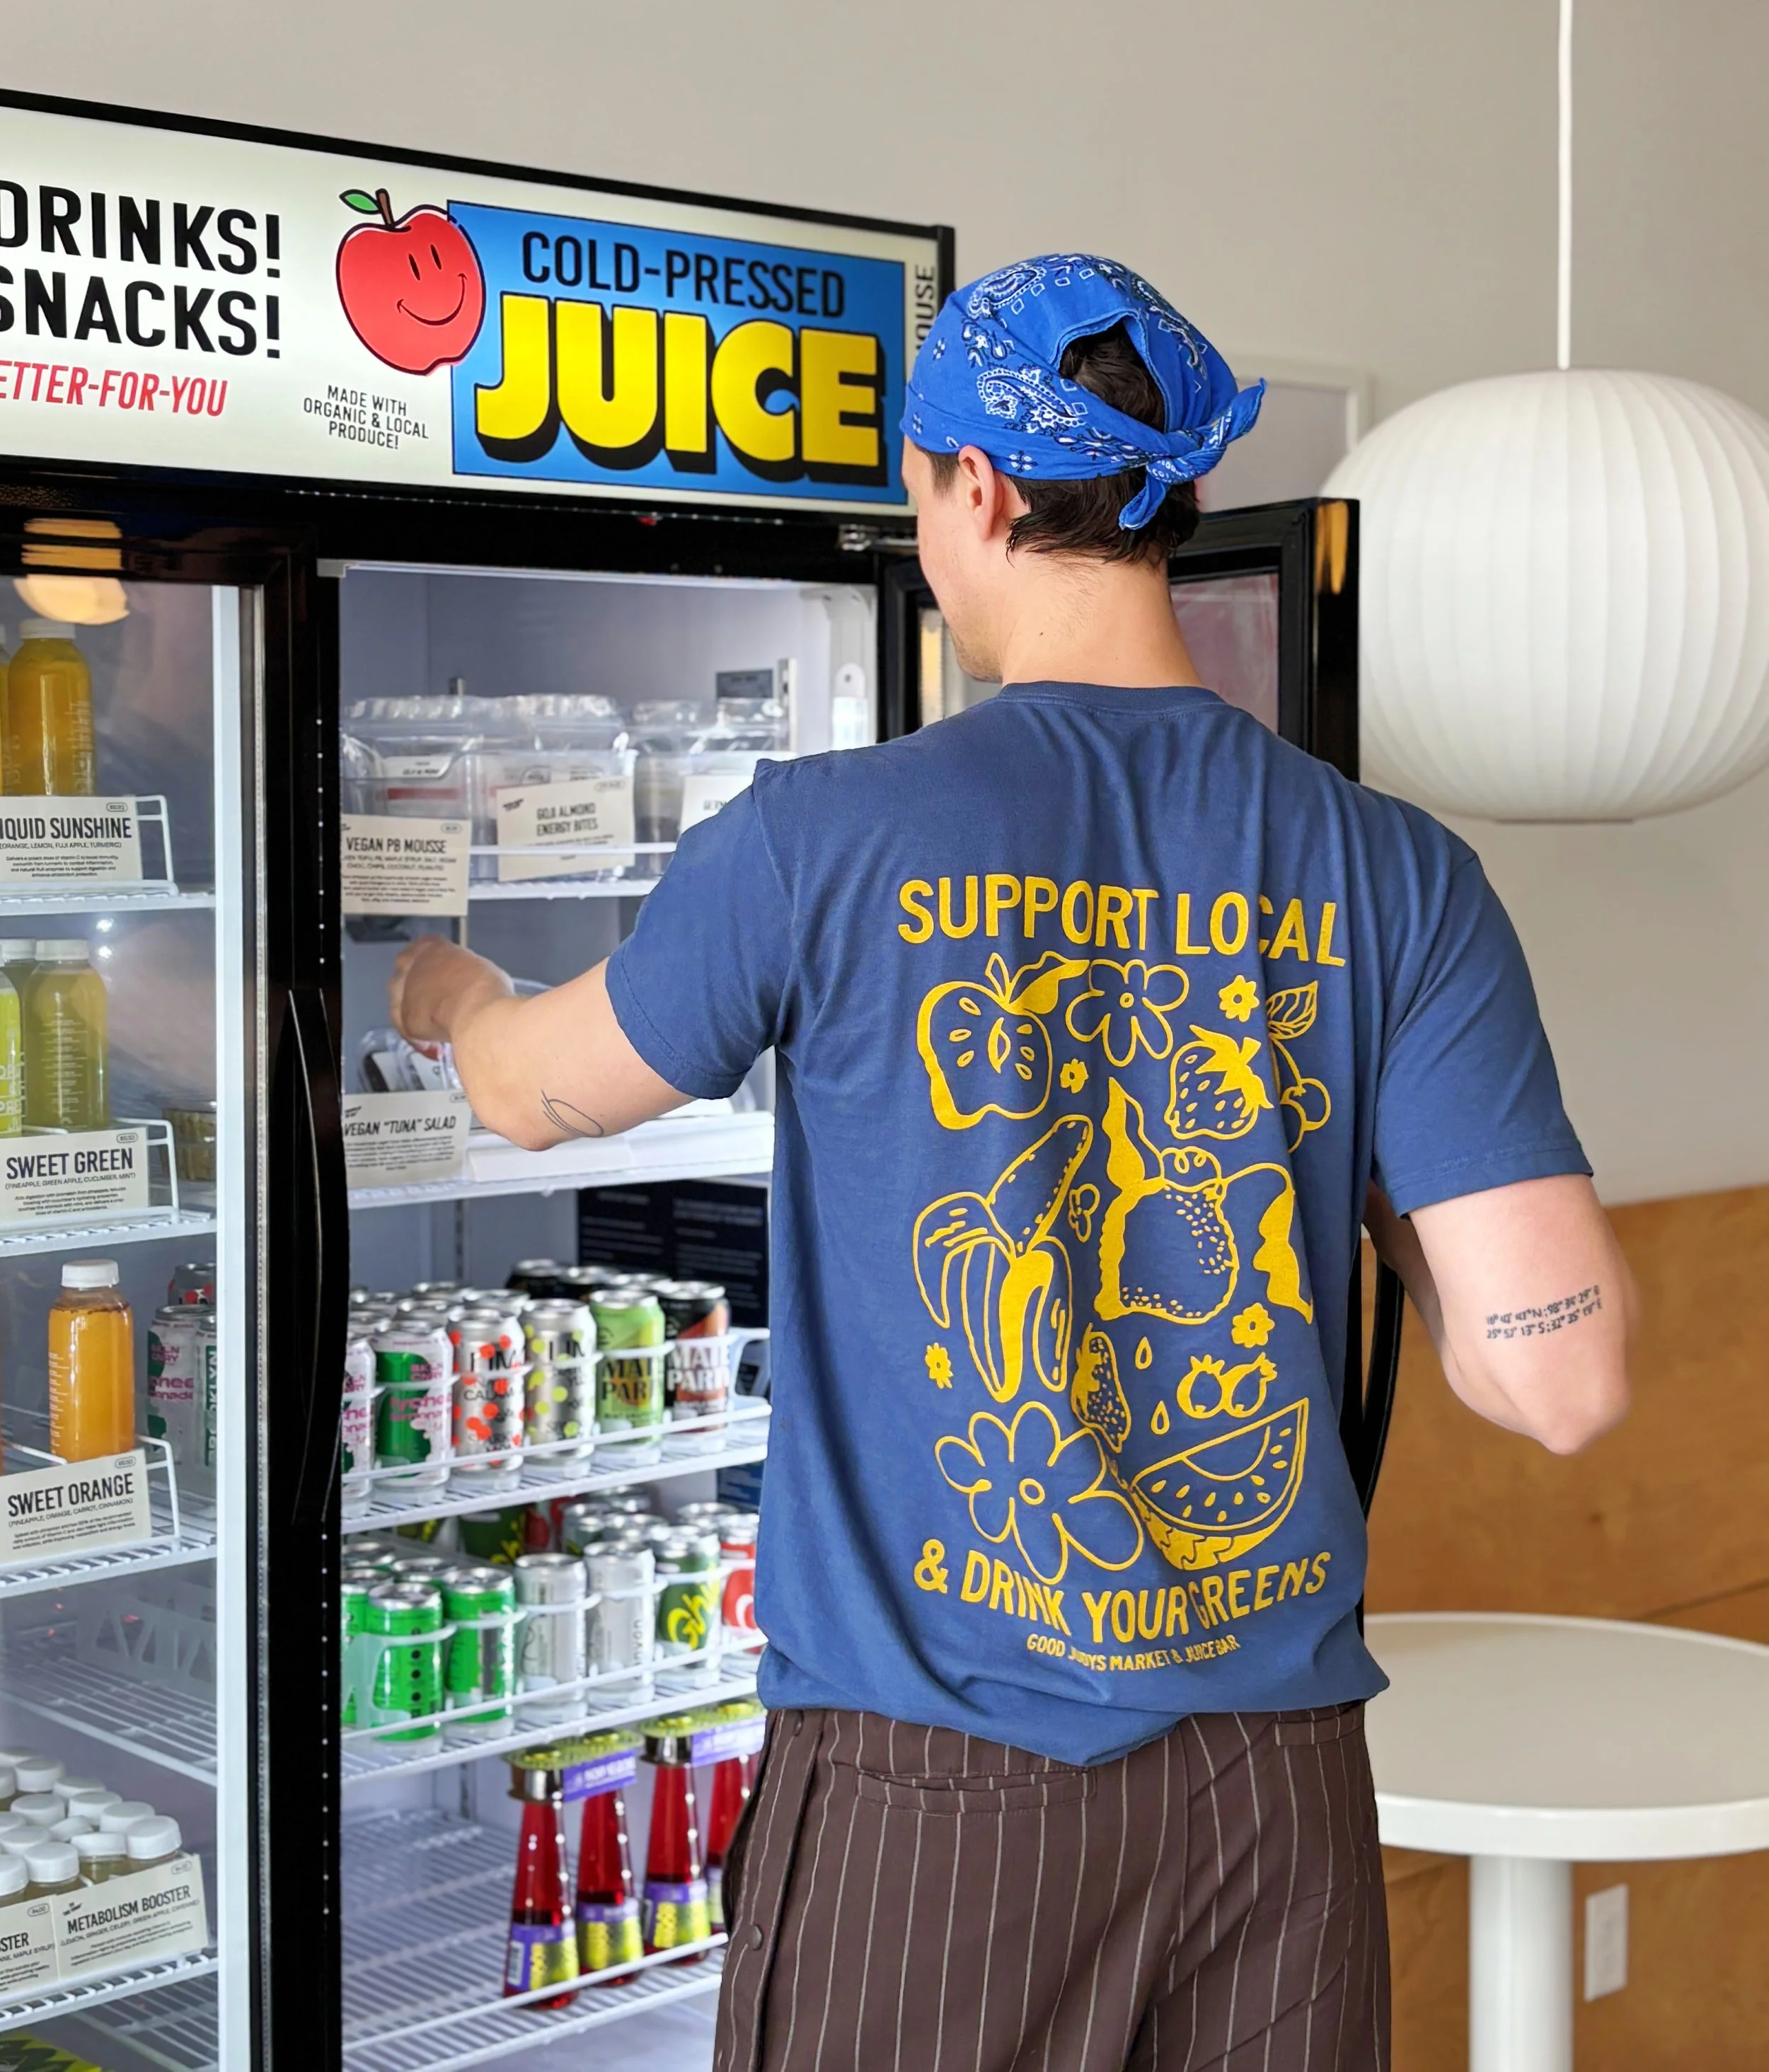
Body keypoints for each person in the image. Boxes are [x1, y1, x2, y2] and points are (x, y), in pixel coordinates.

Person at [389, 253, 1635, 2070]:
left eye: (918, 488)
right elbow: (1559, 1379)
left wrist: (453, 986)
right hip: (1266, 1794)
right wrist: (1350, 1156)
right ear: (1168, 503)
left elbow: (531, 1096)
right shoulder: (1392, 871)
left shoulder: (819, 839)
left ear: (971, 488)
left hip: (928, 1787)